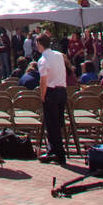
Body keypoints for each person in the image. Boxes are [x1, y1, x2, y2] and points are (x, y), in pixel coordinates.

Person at [36, 33, 68, 164]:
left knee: (52, 124)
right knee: (58, 123)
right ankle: (53, 150)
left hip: (51, 92)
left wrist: (42, 96)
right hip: (62, 90)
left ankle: (58, 153)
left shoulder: (42, 60)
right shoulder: (59, 55)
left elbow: (43, 81)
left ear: (39, 45)